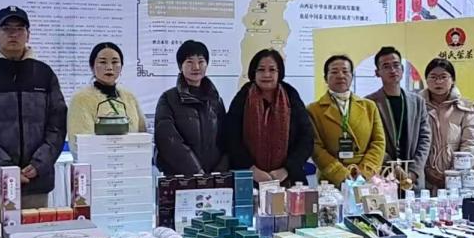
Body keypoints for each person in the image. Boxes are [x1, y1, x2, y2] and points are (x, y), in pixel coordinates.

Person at [0, 6, 66, 223]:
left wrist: (39, 163)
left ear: (28, 34)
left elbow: (57, 124)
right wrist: (4, 167)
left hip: (35, 181)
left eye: (19, 29)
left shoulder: (44, 75)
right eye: (7, 28)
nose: (13, 34)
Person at [225, 49, 313, 186]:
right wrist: (252, 169)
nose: (266, 75)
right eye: (261, 70)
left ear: (279, 73)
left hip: (288, 179)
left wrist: (286, 169)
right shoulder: (243, 97)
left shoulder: (291, 96)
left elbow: (306, 138)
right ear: (253, 73)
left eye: (272, 70)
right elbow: (231, 137)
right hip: (249, 178)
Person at [307, 55, 385, 184]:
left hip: (364, 179)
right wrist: (340, 174)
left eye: (345, 71)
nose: (340, 75)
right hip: (330, 180)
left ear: (351, 76)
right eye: (334, 72)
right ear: (325, 78)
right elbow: (315, 147)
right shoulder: (313, 109)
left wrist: (364, 172)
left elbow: (378, 141)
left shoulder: (369, 106)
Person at [154, 40, 227, 176]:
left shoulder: (216, 100)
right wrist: (196, 172)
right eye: (189, 62)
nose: (196, 67)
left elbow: (226, 139)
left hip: (214, 178)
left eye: (201, 61)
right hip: (181, 177)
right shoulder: (168, 99)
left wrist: (219, 172)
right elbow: (168, 140)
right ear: (180, 66)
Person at [366, 46, 431, 189]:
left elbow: (425, 138)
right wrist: (394, 169)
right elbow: (370, 141)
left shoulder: (417, 101)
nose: (392, 70)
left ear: (402, 69)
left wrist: (413, 172)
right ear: (377, 73)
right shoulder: (368, 103)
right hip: (383, 178)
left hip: (413, 179)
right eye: (386, 66)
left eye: (396, 65)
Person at [68, 42, 147, 154]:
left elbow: (142, 134)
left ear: (121, 66)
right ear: (92, 66)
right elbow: (79, 144)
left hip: (130, 160)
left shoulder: (129, 97)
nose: (109, 68)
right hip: (97, 161)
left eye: (115, 62)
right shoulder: (81, 99)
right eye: (103, 62)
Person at [420, 58, 474, 189]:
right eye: (433, 77)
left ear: (453, 80)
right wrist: (425, 169)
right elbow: (412, 144)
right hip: (425, 178)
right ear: (426, 80)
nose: (438, 81)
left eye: (444, 77)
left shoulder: (465, 108)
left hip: (461, 178)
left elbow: (472, 143)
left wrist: (453, 173)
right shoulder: (416, 106)